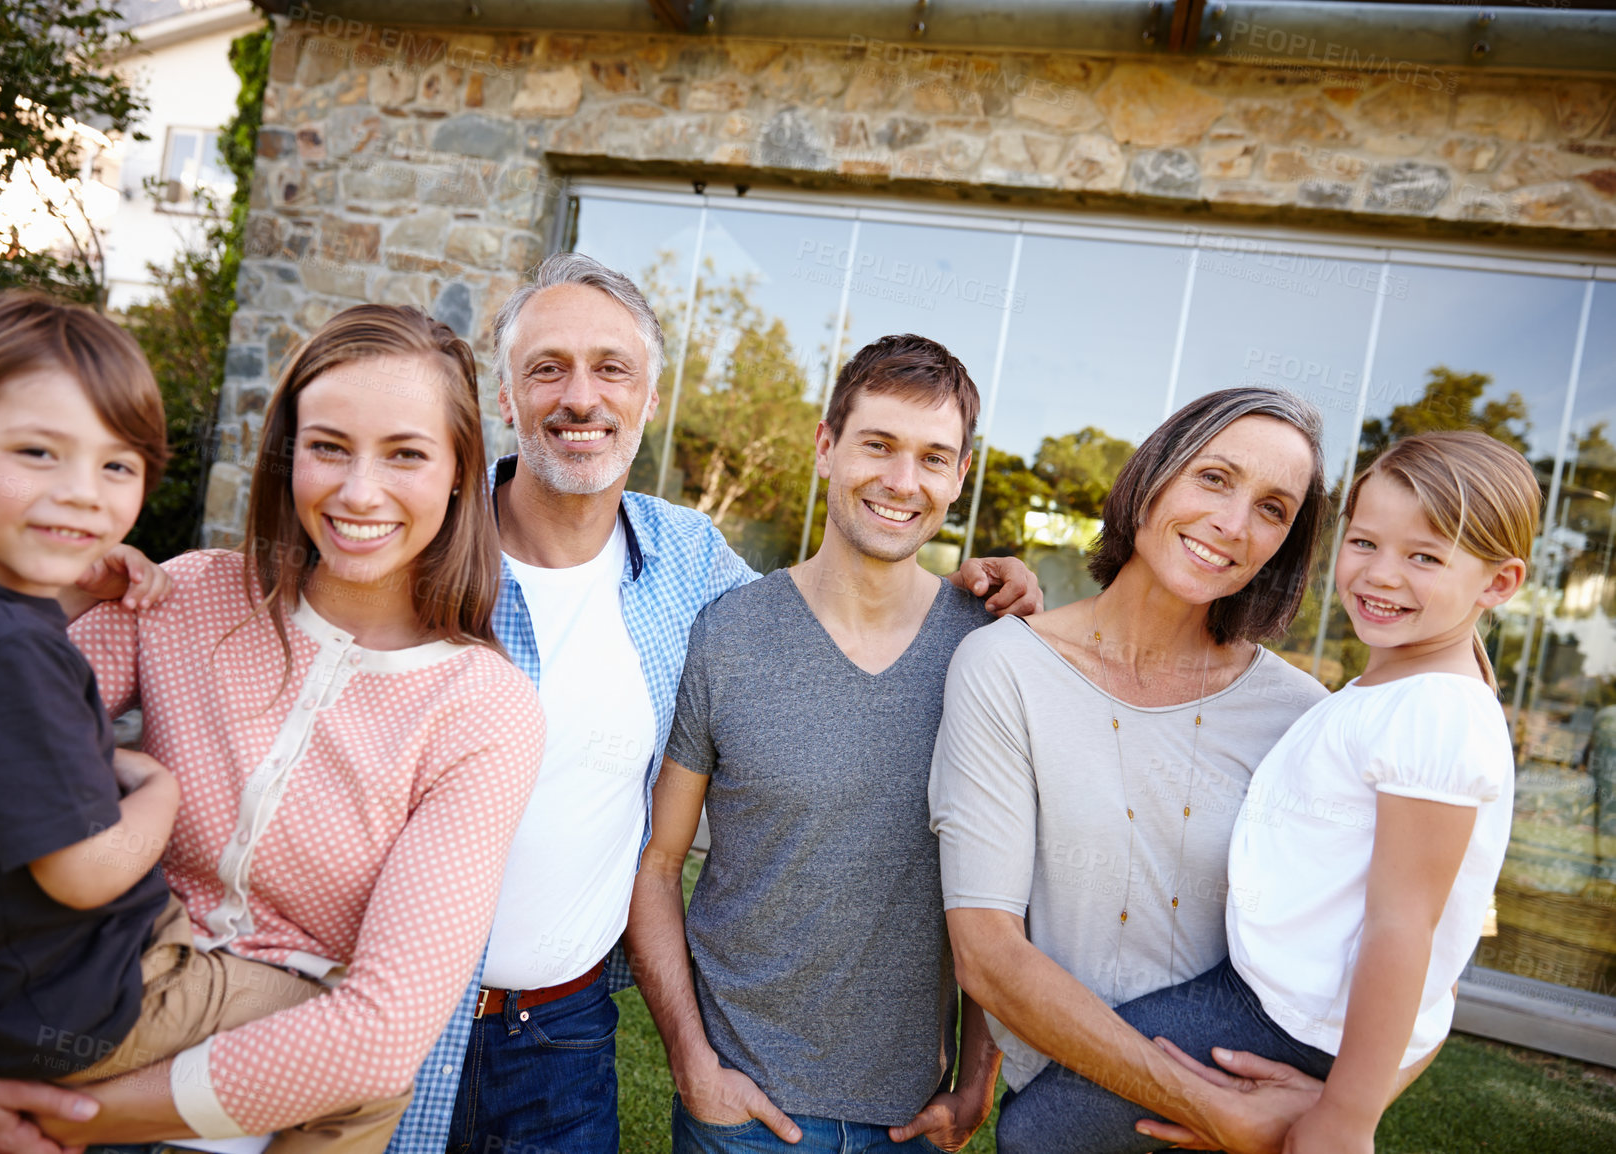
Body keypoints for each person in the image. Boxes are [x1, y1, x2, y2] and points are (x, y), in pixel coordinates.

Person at [400, 254, 1039, 1154]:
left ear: (648, 399)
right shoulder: (413, 550)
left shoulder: (688, 563)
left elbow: (824, 622)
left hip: (565, 1038)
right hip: (394, 1008)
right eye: (549, 367)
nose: (582, 397)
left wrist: (998, 592)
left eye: (613, 369)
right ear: (506, 393)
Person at [0, 304, 545, 1154]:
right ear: (287, 453)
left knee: (371, 1083)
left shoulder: (483, 709)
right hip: (89, 998)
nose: (357, 492)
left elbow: (381, 1033)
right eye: (328, 446)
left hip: (262, 1086)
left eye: (406, 454)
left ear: (461, 471)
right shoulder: (182, 598)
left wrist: (66, 1119)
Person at [993, 430, 1536, 1154]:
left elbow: (1406, 927)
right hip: (1258, 994)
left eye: (1425, 558)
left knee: (1039, 1134)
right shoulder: (1398, 688)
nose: (1381, 575)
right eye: (1366, 543)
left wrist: (1345, 1119)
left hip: (1285, 1021)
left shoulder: (1432, 711)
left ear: (1498, 584)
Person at [931, 388, 1354, 1154]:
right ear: (1152, 477)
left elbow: (1402, 939)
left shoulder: (1301, 717)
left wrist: (1342, 1105)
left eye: (1272, 509)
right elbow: (988, 955)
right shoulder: (1006, 670)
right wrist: (1211, 1111)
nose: (1232, 524)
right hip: (1087, 1123)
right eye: (1215, 478)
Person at [629, 334, 1003, 1154]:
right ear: (827, 449)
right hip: (739, 1111)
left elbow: (1008, 888)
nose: (904, 481)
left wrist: (979, 1076)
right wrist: (692, 1062)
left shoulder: (991, 652)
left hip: (909, 1118)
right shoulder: (728, 635)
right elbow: (657, 865)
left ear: (959, 477)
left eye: (934, 457)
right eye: (878, 445)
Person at [0, 290, 178, 1086]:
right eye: (39, 453)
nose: (86, 491)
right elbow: (84, 871)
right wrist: (158, 788)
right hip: (77, 1002)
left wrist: (72, 596)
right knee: (351, 1052)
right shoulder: (11, 653)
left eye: (116, 464)